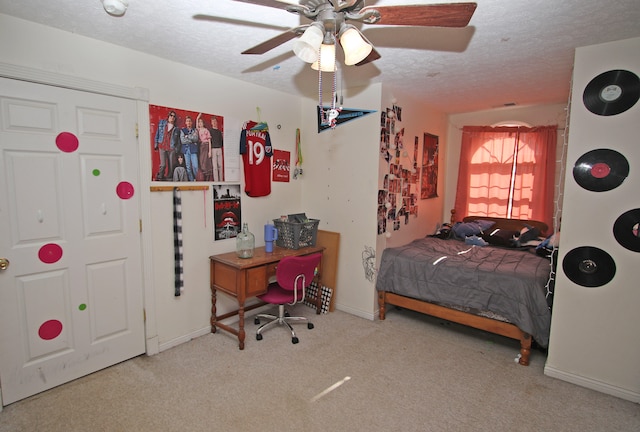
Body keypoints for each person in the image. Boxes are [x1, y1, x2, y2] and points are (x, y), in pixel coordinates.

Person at [154, 110, 181, 180]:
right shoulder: (162, 123)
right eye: (171, 115)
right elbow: (157, 133)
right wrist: (156, 143)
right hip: (162, 146)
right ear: (168, 116)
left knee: (171, 165)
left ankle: (169, 178)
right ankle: (160, 177)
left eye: (174, 116)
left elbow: (178, 141)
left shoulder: (176, 129)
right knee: (163, 165)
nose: (172, 117)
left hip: (171, 148)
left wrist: (176, 150)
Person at [180, 115, 200, 181]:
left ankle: (196, 179)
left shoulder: (195, 130)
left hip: (193, 150)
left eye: (190, 121)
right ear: (185, 122)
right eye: (187, 121)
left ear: (191, 122)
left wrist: (187, 136)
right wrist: (191, 139)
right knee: (188, 167)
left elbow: (196, 139)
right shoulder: (182, 130)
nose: (188, 123)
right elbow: (182, 141)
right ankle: (191, 180)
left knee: (195, 166)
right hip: (186, 150)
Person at [196, 114, 213, 181]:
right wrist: (198, 116)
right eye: (199, 122)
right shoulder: (198, 129)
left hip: (206, 146)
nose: (200, 123)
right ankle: (204, 176)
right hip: (201, 146)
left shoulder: (206, 130)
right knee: (201, 162)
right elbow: (196, 121)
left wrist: (210, 151)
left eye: (201, 122)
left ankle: (207, 178)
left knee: (206, 163)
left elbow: (209, 141)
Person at [208, 116, 224, 181]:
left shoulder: (219, 132)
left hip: (219, 149)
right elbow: (209, 141)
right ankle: (216, 181)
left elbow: (221, 141)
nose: (214, 123)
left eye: (215, 121)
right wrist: (210, 151)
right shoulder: (210, 131)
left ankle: (221, 180)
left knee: (220, 166)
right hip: (213, 149)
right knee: (215, 167)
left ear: (216, 122)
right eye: (213, 122)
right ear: (211, 123)